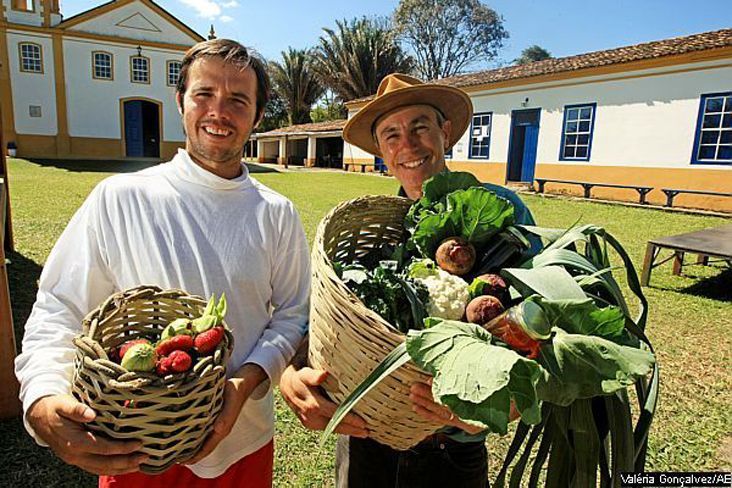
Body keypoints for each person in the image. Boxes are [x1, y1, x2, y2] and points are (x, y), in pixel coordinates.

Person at [14, 39, 310, 487]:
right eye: (204, 94)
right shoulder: (120, 198)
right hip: (133, 448)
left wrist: (242, 385)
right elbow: (59, 306)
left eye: (237, 99)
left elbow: (292, 315)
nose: (218, 111)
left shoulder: (276, 213)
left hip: (244, 445)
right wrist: (40, 397)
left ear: (258, 112)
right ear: (180, 101)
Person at [279, 73, 539, 488]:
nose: (408, 145)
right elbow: (318, 319)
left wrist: (487, 409)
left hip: (452, 448)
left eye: (420, 127)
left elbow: (542, 332)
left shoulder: (501, 209)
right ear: (382, 150)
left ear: (446, 132)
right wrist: (290, 375)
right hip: (365, 436)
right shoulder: (372, 228)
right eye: (392, 135)